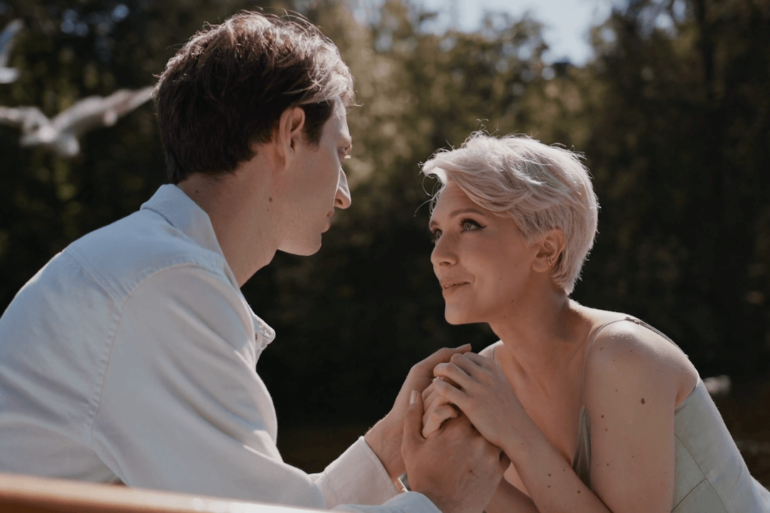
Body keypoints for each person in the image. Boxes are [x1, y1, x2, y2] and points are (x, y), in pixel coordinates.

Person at [0, 13, 508, 513]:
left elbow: (266, 505)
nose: (345, 194)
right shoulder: (163, 286)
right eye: (341, 153)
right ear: (290, 134)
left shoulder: (142, 266)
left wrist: (389, 445)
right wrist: (440, 503)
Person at [418, 133, 770, 512]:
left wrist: (512, 430)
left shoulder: (623, 353)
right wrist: (438, 468)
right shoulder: (487, 383)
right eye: (437, 233)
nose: (439, 255)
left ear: (546, 250)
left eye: (469, 225)